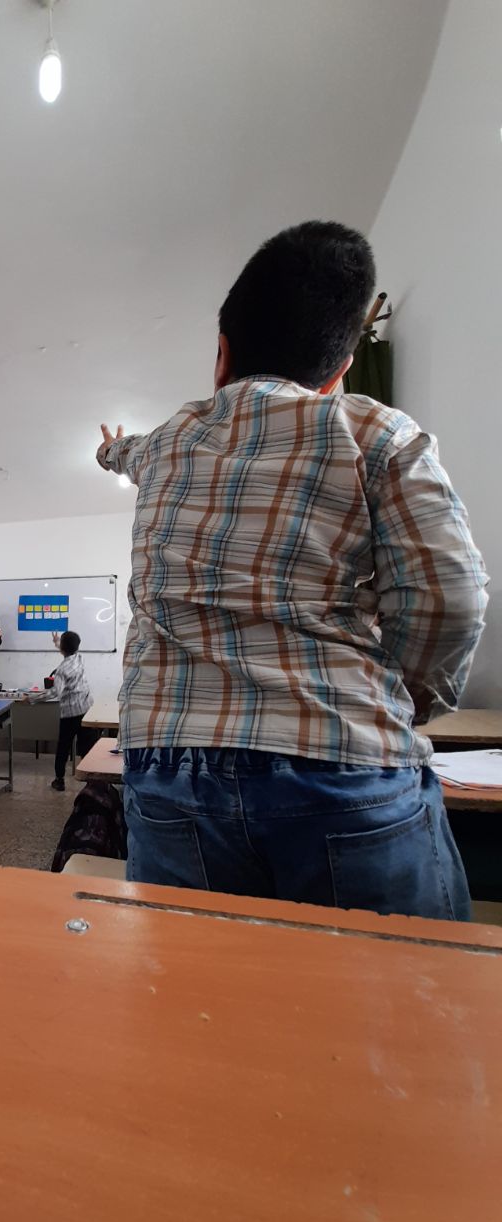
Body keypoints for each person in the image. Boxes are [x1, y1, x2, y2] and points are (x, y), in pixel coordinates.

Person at [97, 220, 487, 920]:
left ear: (221, 354)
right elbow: (448, 599)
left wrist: (108, 451)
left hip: (169, 763)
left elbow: (123, 453)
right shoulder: (375, 434)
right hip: (339, 758)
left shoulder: (163, 445)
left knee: (192, 1005)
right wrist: (405, 697)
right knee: (403, 1006)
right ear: (339, 374)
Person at [28, 631, 95, 791]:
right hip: (86, 709)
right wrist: (58, 642)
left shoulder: (62, 670)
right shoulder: (80, 658)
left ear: (63, 648)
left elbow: (54, 692)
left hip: (70, 713)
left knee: (63, 747)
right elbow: (69, 650)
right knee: (87, 746)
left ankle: (59, 780)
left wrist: (32, 698)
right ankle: (92, 781)